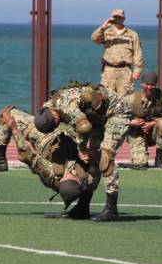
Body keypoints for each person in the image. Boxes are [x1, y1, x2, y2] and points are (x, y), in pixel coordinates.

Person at [0, 105, 99, 219]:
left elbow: (26, 154)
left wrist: (14, 129)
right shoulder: (85, 178)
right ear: (77, 181)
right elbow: (98, 160)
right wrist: (90, 153)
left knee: (8, 113)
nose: (67, 175)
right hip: (71, 135)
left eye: (64, 178)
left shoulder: (50, 174)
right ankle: (83, 207)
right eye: (71, 176)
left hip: (46, 138)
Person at [38, 82, 132, 222]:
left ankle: (111, 209)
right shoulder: (48, 107)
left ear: (56, 118)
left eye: (56, 124)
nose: (57, 125)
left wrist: (82, 149)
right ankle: (83, 206)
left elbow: (84, 127)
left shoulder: (67, 106)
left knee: (105, 157)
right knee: (93, 161)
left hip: (117, 113)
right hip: (98, 119)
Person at [91, 9, 144, 96]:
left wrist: (137, 71)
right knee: (106, 96)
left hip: (125, 71)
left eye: (119, 17)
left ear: (124, 19)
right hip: (108, 70)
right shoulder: (106, 32)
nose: (117, 19)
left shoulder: (132, 34)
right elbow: (94, 39)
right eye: (115, 17)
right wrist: (103, 27)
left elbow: (138, 53)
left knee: (125, 98)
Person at [124, 71, 162, 169]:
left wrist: (152, 123)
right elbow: (117, 118)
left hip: (154, 131)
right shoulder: (131, 99)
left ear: (156, 85)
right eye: (147, 84)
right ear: (142, 84)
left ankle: (159, 159)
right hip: (137, 132)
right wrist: (131, 122)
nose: (149, 87)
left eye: (152, 85)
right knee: (141, 164)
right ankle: (139, 158)